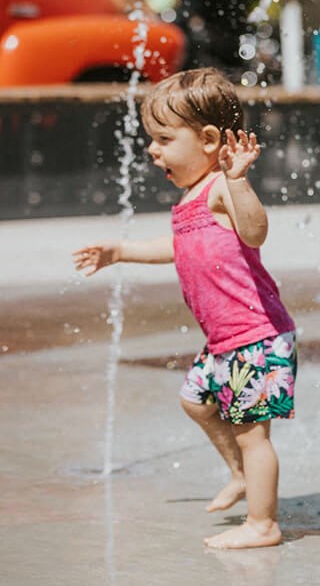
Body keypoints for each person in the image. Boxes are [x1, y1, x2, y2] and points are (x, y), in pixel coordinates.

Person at [73, 68, 297, 550]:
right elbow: (177, 246)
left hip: (256, 335)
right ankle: (240, 475)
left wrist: (238, 180)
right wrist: (120, 253)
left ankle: (263, 523)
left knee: (254, 435)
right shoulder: (192, 199)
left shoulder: (221, 186)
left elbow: (255, 232)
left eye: (163, 139)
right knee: (195, 400)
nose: (153, 150)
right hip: (224, 340)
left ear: (210, 139)